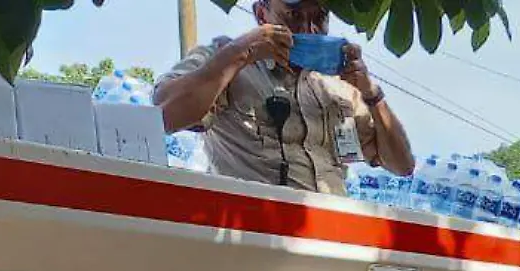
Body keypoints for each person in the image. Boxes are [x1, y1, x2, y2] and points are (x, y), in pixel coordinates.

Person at [156, 0, 416, 195]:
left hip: (331, 237)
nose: (308, 29)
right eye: (293, 15)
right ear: (261, 14)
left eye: (320, 17)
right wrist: (239, 54)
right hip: (254, 236)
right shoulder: (225, 59)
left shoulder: (340, 85)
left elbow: (402, 165)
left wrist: (371, 94)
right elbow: (165, 115)